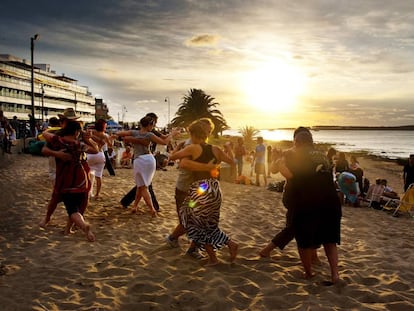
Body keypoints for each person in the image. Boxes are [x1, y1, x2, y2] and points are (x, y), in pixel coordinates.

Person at [168, 120, 238, 266]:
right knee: (208, 224)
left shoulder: (193, 147)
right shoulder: (216, 149)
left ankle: (217, 254)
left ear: (193, 134)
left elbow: (174, 158)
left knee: (196, 223)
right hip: (214, 188)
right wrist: (229, 148)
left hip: (201, 190)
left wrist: (177, 148)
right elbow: (232, 162)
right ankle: (225, 245)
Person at [279, 128, 341, 284]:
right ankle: (335, 274)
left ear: (297, 142)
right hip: (330, 201)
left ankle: (308, 273)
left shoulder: (297, 155)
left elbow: (293, 177)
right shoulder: (324, 156)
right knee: (330, 239)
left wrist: (281, 167)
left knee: (303, 239)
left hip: (308, 201)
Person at [259, 127, 320, 263]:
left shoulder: (300, 154)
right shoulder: (292, 154)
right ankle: (266, 250)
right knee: (294, 226)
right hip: (295, 195)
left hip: (303, 195)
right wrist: (277, 159)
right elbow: (274, 169)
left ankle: (314, 256)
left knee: (306, 224)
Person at [39, 108, 98, 228]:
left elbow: (95, 147)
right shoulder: (58, 134)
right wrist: (58, 154)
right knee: (56, 197)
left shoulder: (79, 132)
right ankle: (48, 218)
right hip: (63, 168)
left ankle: (73, 223)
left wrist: (88, 139)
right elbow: (44, 150)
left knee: (83, 196)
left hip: (80, 165)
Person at [165, 118, 215, 259]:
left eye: (209, 131)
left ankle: (191, 247)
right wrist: (208, 167)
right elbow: (184, 164)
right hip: (185, 190)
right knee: (188, 222)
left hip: (198, 191)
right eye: (205, 131)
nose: (207, 134)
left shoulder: (202, 146)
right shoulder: (190, 145)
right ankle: (173, 239)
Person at [116, 116, 179, 216]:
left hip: (139, 160)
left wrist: (129, 138)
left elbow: (119, 133)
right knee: (141, 186)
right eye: (153, 125)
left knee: (142, 186)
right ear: (149, 125)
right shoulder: (149, 134)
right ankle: (135, 206)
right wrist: (172, 134)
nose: (153, 127)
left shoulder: (135, 133)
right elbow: (164, 142)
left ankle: (152, 209)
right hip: (149, 160)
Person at [119, 112, 167, 210]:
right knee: (145, 185)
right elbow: (128, 137)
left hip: (146, 157)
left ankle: (130, 203)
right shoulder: (142, 131)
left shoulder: (152, 131)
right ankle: (153, 207)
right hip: (142, 158)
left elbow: (163, 137)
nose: (155, 125)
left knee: (141, 185)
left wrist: (172, 134)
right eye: (154, 123)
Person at [87, 119, 113, 199]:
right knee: (99, 175)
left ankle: (87, 192)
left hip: (90, 154)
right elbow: (110, 145)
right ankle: (97, 194)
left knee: (87, 173)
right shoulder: (105, 135)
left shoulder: (91, 132)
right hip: (100, 155)